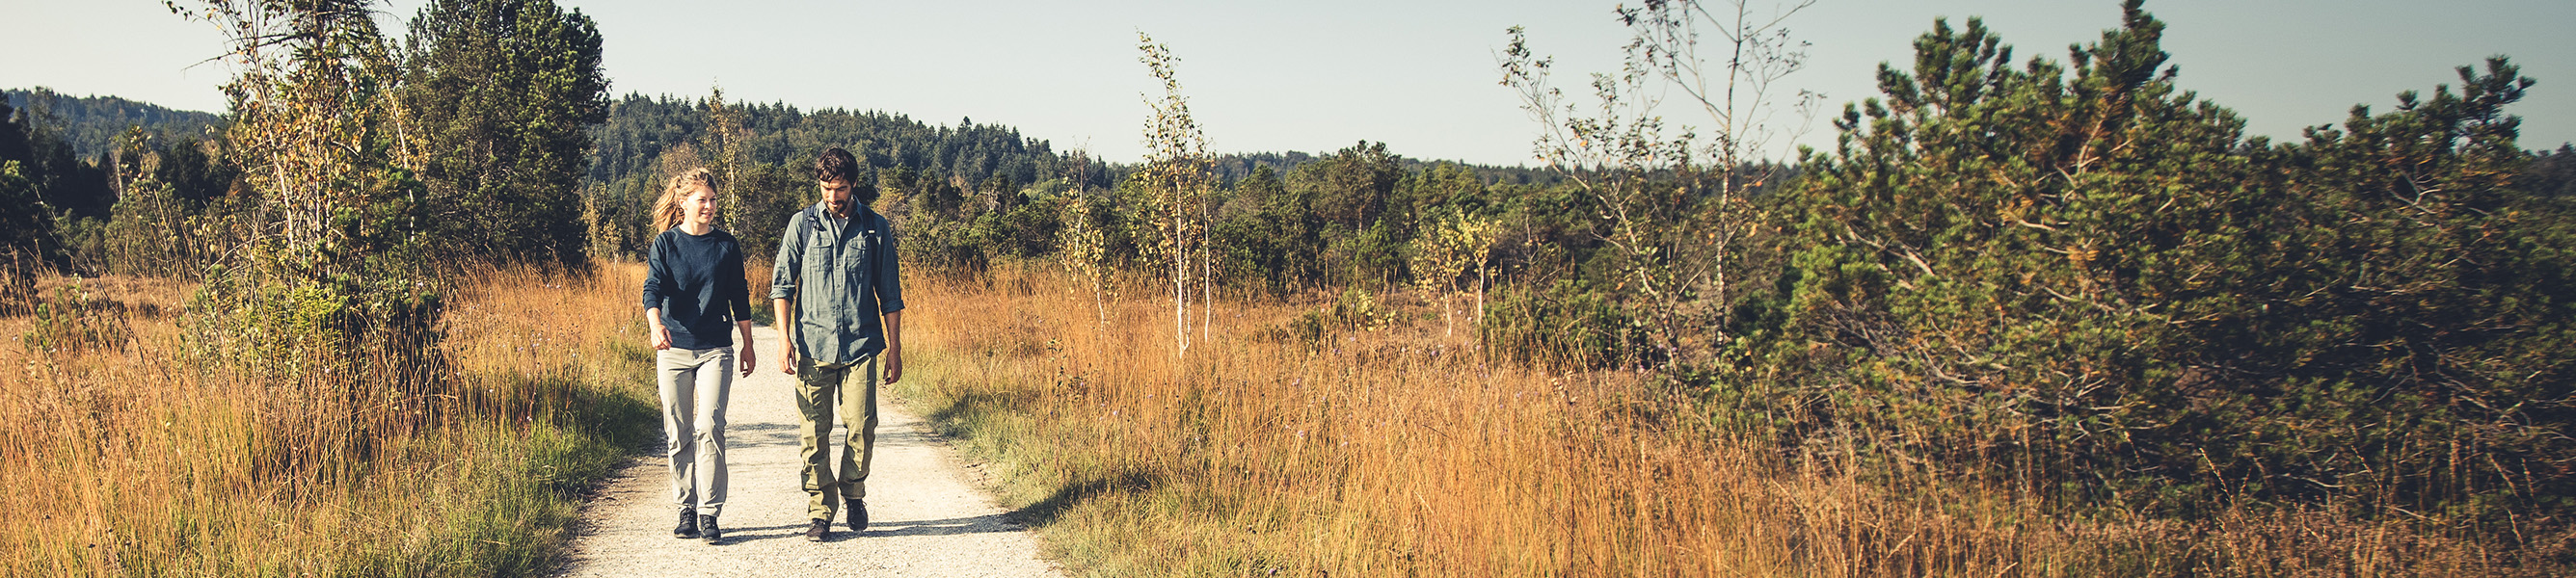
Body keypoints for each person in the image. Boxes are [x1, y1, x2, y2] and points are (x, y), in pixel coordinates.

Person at [771, 147, 905, 542]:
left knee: (861, 426)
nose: (833, 196)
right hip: (813, 346)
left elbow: (891, 296)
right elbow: (782, 285)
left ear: (854, 184)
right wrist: (783, 339)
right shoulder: (803, 225)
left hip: (862, 345)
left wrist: (895, 350)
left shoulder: (875, 228)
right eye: (826, 188)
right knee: (814, 434)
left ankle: (853, 492)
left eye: (841, 188)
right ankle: (820, 510)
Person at [641, 168, 757, 544]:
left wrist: (749, 343)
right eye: (701, 200)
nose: (709, 207)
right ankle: (685, 508)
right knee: (678, 431)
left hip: (715, 349)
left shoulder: (726, 246)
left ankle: (709, 511)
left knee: (708, 426)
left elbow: (739, 296)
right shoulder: (665, 244)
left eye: (713, 200)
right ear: (683, 202)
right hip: (673, 348)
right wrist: (655, 324)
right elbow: (653, 288)